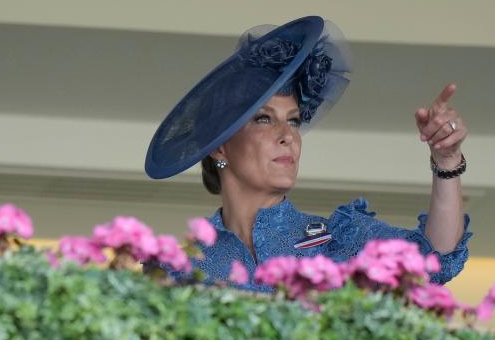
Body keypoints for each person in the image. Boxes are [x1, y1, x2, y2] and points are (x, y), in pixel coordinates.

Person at [144, 16, 471, 289]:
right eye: (264, 119)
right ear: (220, 145)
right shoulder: (179, 266)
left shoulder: (341, 238)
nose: (288, 136)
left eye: (294, 121)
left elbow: (433, 261)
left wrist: (447, 161)